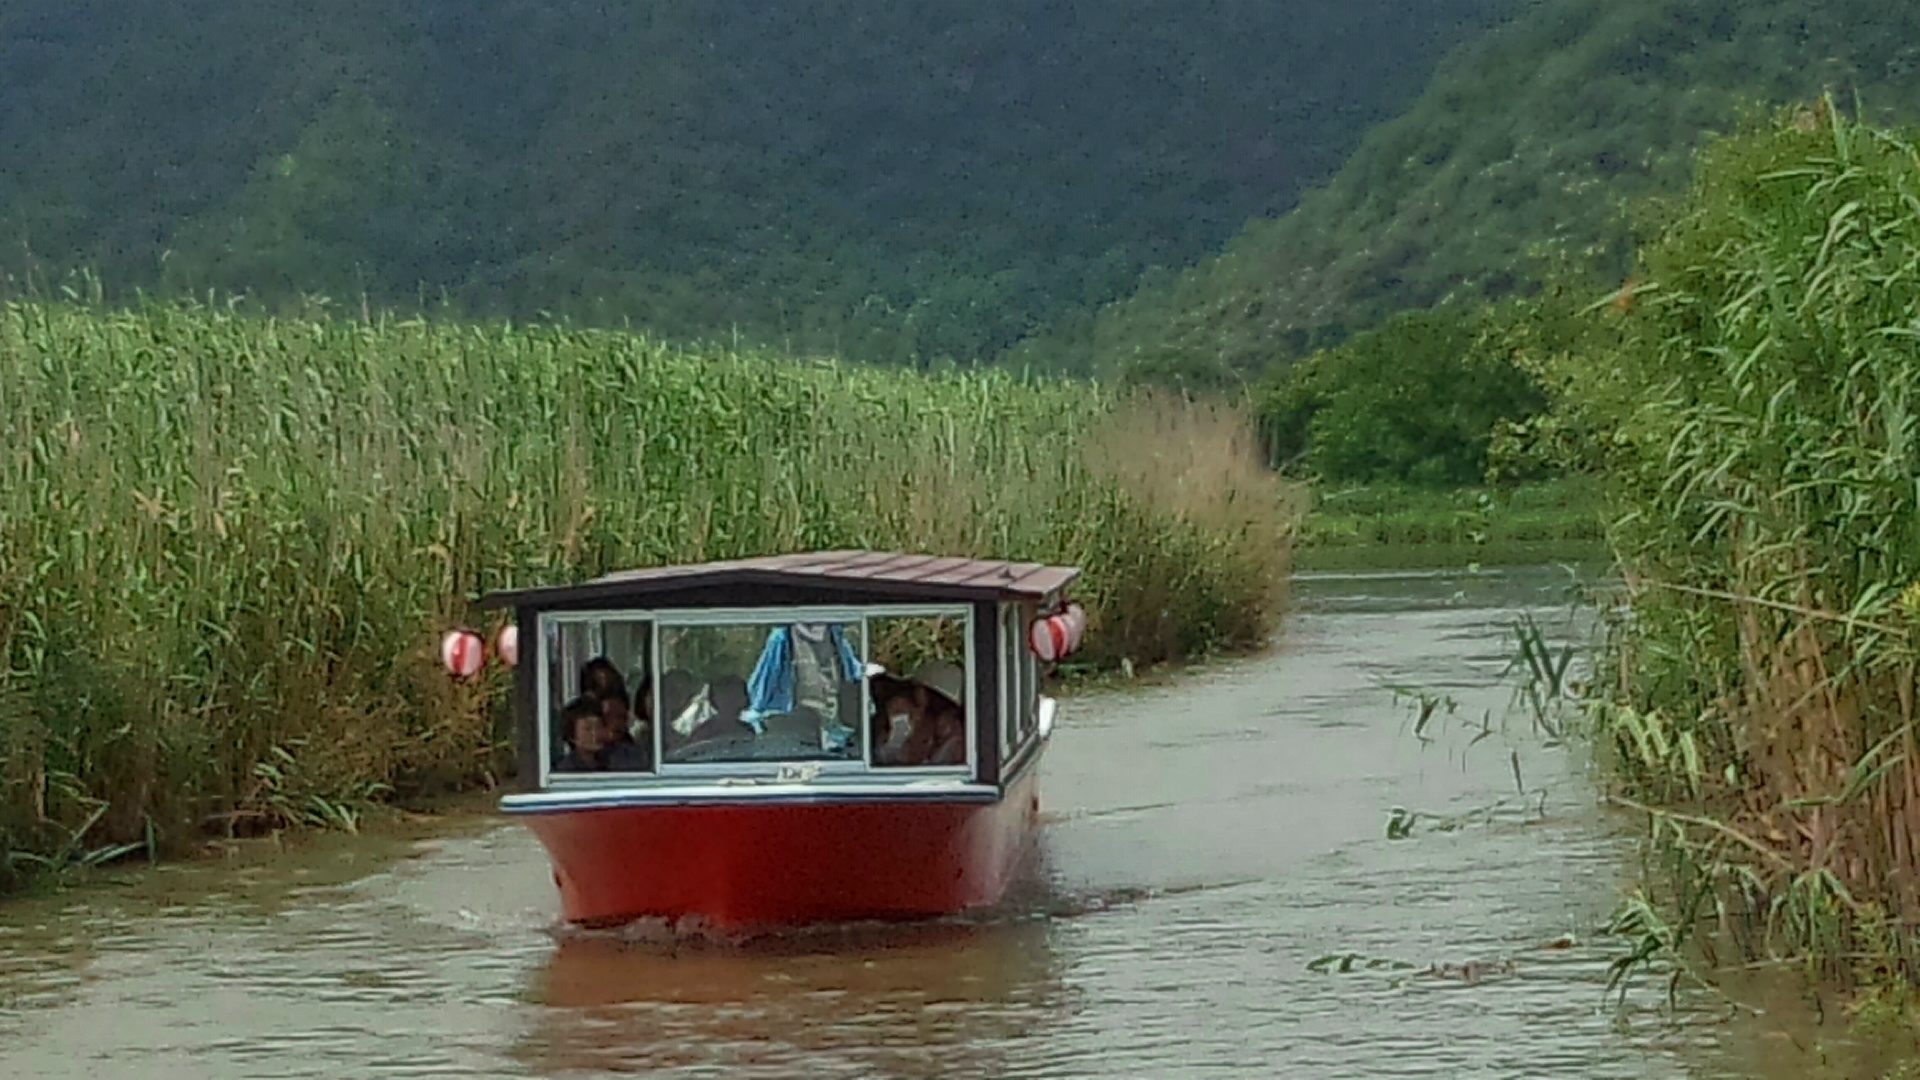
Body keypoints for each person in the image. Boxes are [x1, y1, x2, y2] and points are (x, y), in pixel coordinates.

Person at [742, 623, 864, 752]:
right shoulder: (782, 639)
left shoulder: (836, 636)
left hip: (834, 735)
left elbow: (855, 673)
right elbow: (761, 691)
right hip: (794, 737)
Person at [554, 696, 607, 773]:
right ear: (572, 736)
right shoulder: (566, 769)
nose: (595, 733)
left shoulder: (610, 762)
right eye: (588, 729)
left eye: (598, 726)